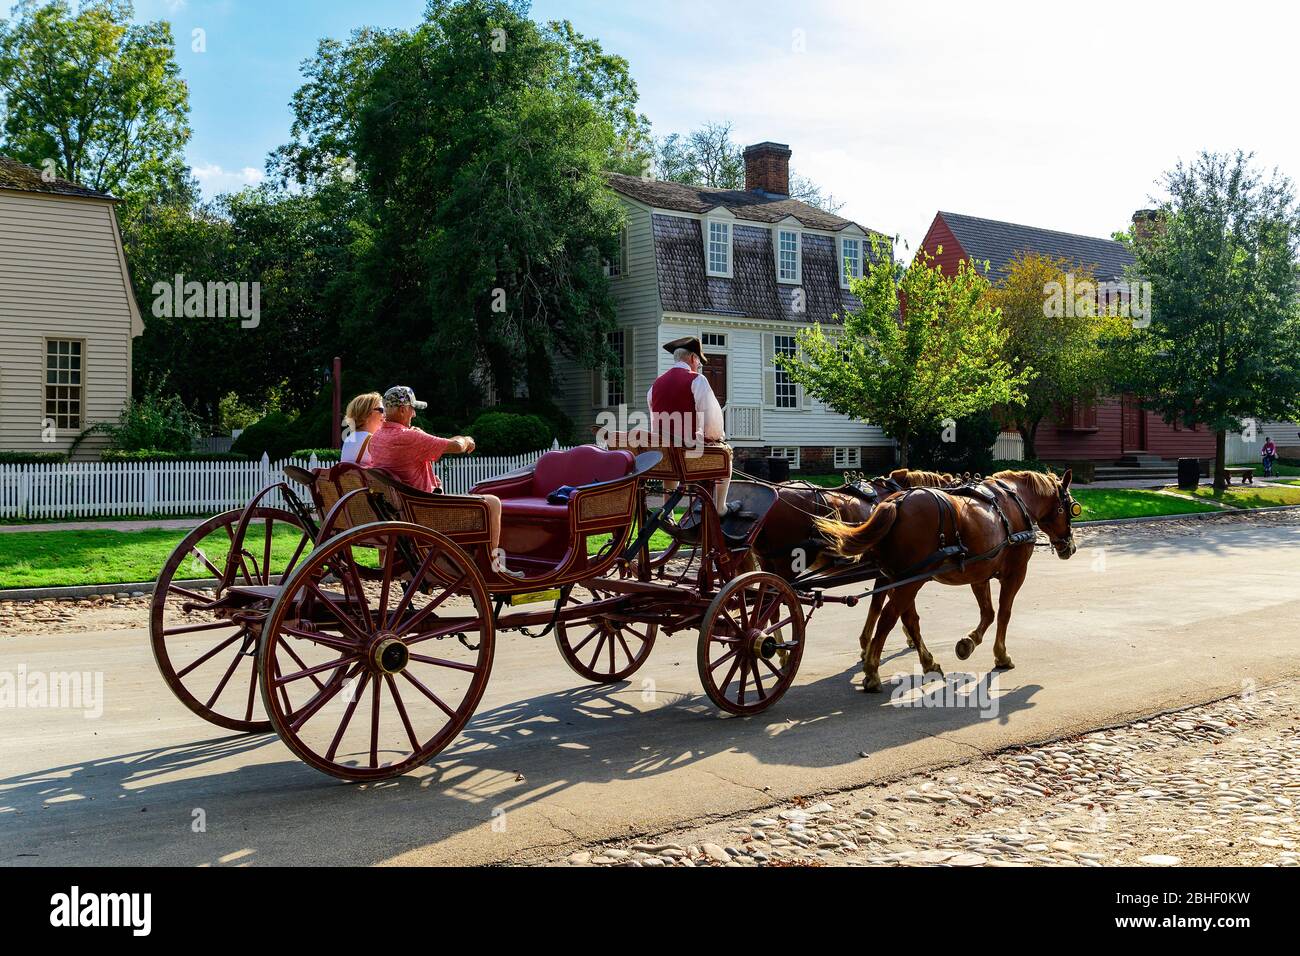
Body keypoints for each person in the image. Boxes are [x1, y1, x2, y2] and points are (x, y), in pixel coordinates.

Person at [366, 386, 521, 577]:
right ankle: (492, 567)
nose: (414, 414)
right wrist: (467, 439)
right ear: (403, 409)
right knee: (492, 503)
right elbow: (456, 446)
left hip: (398, 511)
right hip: (425, 514)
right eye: (412, 409)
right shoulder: (410, 437)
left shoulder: (376, 438)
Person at [646, 335, 733, 513]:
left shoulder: (655, 385)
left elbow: (655, 421)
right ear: (693, 358)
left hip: (663, 456)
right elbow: (712, 423)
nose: (699, 366)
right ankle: (720, 507)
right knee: (726, 454)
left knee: (670, 453)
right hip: (689, 455)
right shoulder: (697, 380)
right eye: (699, 361)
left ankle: (667, 512)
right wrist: (716, 439)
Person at [340, 392, 383, 465]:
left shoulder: (349, 439)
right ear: (367, 413)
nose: (384, 414)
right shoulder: (372, 440)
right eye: (381, 410)